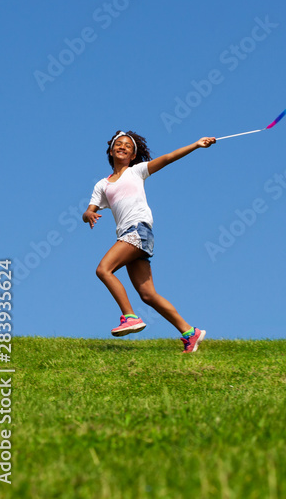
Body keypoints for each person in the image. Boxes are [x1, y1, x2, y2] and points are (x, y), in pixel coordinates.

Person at [82, 130, 216, 353]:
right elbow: (88, 210)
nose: (122, 147)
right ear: (111, 150)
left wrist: (196, 144)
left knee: (103, 270)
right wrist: (89, 215)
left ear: (133, 155)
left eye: (128, 146)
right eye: (119, 144)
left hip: (138, 231)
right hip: (126, 235)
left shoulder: (136, 172)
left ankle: (130, 317)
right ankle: (190, 332)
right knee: (148, 295)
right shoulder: (102, 185)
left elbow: (168, 157)